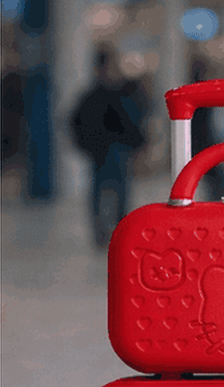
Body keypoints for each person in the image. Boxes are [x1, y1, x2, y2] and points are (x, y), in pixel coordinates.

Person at [70, 47, 145, 247]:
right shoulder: (109, 96)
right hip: (108, 152)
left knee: (111, 192)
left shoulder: (104, 95)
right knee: (114, 191)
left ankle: (109, 231)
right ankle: (109, 231)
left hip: (109, 151)